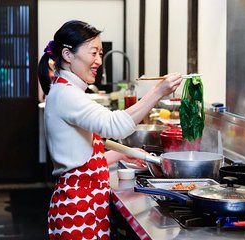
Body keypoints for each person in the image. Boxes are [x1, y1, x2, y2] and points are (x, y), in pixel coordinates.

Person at [37, 20, 182, 240]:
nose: (98, 61)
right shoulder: (67, 95)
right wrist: (157, 92)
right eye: (93, 53)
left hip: (84, 207)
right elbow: (116, 126)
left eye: (100, 53)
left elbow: (82, 162)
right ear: (67, 55)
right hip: (77, 210)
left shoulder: (67, 90)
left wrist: (122, 153)